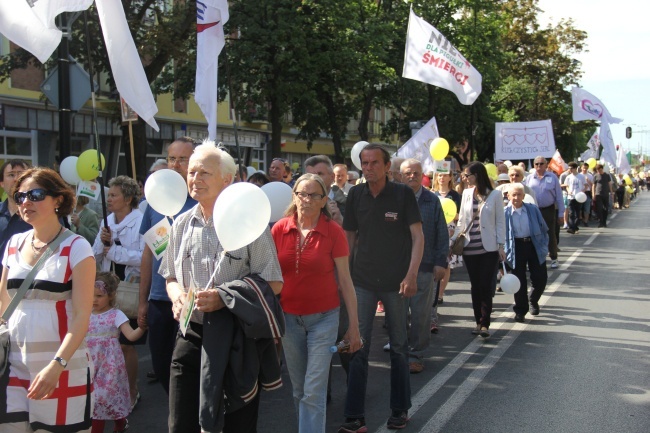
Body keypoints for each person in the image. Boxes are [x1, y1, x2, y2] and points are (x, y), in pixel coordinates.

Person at [159, 142, 283, 433]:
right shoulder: (181, 224)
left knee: (235, 424)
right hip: (189, 334)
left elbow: (274, 282)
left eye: (204, 172)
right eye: (192, 172)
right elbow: (170, 276)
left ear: (227, 179)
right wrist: (177, 297)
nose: (195, 178)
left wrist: (224, 298)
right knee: (180, 423)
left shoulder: (251, 224)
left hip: (234, 340)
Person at [0, 167, 95, 432]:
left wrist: (57, 365)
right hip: (13, 367)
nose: (25, 202)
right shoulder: (12, 244)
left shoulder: (77, 247)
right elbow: (3, 305)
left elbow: (81, 316)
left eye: (35, 194)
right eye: (20, 197)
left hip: (61, 370)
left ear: (58, 200)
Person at [339, 144, 424, 432]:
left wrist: (411, 275)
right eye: (365, 163)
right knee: (357, 346)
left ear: (387, 166)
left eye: (375, 162)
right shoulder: (355, 195)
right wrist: (344, 276)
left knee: (399, 347)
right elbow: (348, 237)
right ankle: (354, 416)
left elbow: (417, 237)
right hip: (362, 280)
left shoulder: (402, 194)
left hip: (396, 283)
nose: (369, 167)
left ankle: (400, 410)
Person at [271, 173, 361, 433]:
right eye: (302, 194)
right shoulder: (279, 228)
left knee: (313, 389)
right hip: (289, 319)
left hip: (324, 318)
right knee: (299, 389)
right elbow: (270, 277)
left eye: (314, 195)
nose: (307, 200)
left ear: (324, 201)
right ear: (294, 196)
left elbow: (345, 281)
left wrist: (353, 326)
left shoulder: (333, 231)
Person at [138, 137, 197, 394]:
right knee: (162, 366)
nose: (175, 164)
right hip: (160, 300)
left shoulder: (203, 200)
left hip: (192, 299)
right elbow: (149, 254)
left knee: (188, 366)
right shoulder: (155, 201)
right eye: (172, 158)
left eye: (183, 159)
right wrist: (143, 300)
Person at [92, 175, 145, 410]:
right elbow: (94, 253)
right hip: (107, 290)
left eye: (114, 195)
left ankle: (132, 389)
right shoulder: (107, 223)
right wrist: (103, 245)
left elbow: (146, 257)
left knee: (125, 344)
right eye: (109, 195)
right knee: (107, 343)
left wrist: (114, 249)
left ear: (128, 198)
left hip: (131, 289)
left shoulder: (142, 221)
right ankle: (109, 389)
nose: (109, 199)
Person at [399, 159, 448, 373]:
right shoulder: (393, 199)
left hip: (425, 266)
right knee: (397, 313)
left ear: (422, 176)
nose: (412, 176)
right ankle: (399, 351)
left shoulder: (432, 200)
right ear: (401, 176)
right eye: (408, 173)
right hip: (396, 267)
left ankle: (416, 354)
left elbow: (441, 233)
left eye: (416, 173)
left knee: (420, 313)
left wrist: (440, 262)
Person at [88, 271, 146, 433]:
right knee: (95, 400)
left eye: (99, 296)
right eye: (91, 295)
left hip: (109, 367)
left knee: (102, 399)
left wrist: (142, 327)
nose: (94, 300)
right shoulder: (85, 314)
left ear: (111, 295)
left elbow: (131, 335)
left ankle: (118, 422)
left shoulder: (116, 315)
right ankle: (121, 422)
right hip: (90, 364)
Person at [453, 162, 506, 338]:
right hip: (470, 247)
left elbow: (500, 222)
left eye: (468, 175)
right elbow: (462, 220)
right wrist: (453, 241)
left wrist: (501, 246)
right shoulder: (467, 193)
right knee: (475, 285)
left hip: (488, 248)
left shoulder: (495, 195)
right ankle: (477, 321)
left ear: (478, 175)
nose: (465, 179)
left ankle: (485, 323)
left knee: (485, 285)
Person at [504, 183, 549, 322]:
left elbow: (543, 228)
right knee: (519, 280)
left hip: (533, 244)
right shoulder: (504, 213)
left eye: (519, 194)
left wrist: (544, 246)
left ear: (524, 196)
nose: (517, 197)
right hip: (515, 246)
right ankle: (520, 310)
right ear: (508, 196)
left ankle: (533, 300)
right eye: (514, 194)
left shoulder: (532, 209)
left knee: (540, 277)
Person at [524, 156, 564, 269]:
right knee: (532, 234)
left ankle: (554, 257)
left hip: (548, 209)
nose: (539, 166)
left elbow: (559, 196)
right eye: (536, 164)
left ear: (546, 165)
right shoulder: (529, 178)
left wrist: (561, 213)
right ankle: (533, 258)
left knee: (550, 233)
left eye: (541, 163)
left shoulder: (552, 177)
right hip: (532, 209)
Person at [431, 170, 461, 312]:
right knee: (436, 261)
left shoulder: (455, 195)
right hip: (435, 230)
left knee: (446, 264)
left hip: (450, 230)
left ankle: (441, 293)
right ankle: (435, 292)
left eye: (445, 175)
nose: (442, 178)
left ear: (450, 177)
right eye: (439, 175)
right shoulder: (432, 194)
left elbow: (461, 215)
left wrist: (453, 217)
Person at [0, 159, 30, 274]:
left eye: (22, 174)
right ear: (1, 183)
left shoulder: (42, 215)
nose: (16, 179)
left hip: (27, 287)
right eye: (11, 175)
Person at [304, 155, 344, 224]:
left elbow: (352, 233)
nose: (314, 179)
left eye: (319, 174)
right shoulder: (299, 203)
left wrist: (340, 221)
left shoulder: (346, 203)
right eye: (310, 175)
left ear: (332, 177)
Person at [564, 162, 586, 234]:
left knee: (577, 213)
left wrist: (582, 191)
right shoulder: (569, 177)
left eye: (571, 168)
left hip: (579, 197)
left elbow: (586, 185)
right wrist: (568, 191)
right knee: (571, 213)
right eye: (569, 168)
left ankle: (574, 227)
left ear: (575, 168)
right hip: (571, 197)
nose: (570, 170)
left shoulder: (581, 176)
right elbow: (567, 185)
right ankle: (571, 228)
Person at [592, 164, 613, 228]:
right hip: (598, 194)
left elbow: (609, 184)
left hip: (605, 194)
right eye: (598, 170)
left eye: (600, 170)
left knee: (606, 209)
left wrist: (611, 192)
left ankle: (604, 222)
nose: (599, 171)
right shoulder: (595, 176)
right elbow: (593, 185)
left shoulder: (607, 175)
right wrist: (593, 194)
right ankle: (601, 222)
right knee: (599, 208)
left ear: (602, 169)